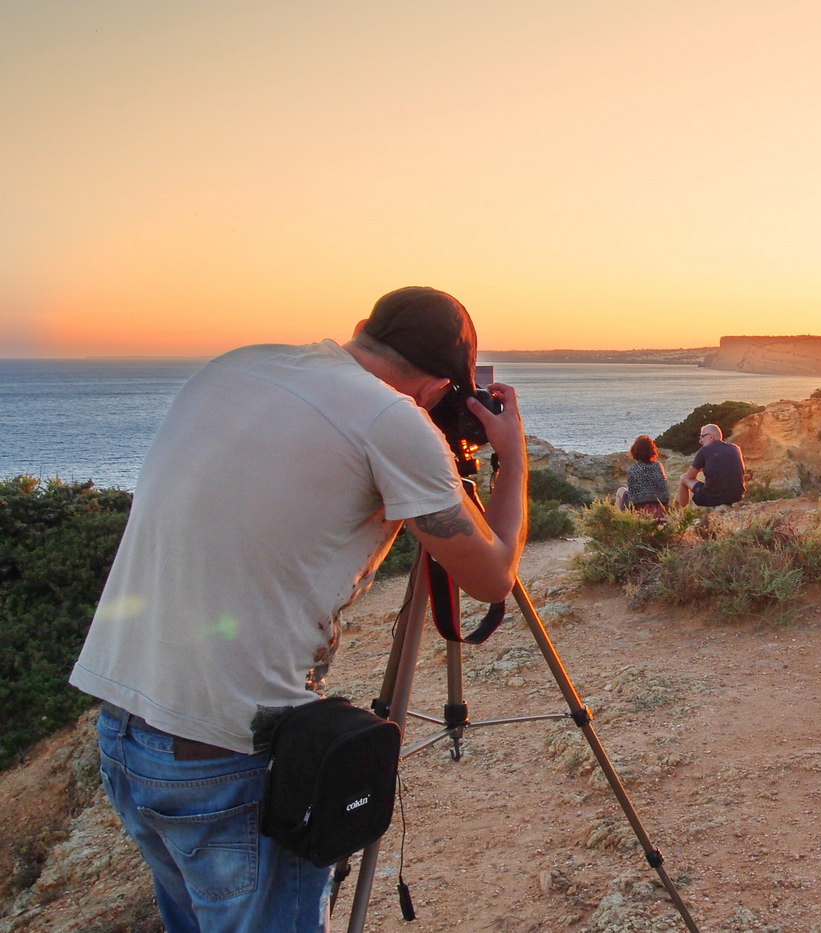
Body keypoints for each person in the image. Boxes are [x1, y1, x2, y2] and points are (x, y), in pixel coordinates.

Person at [69, 286, 528, 933]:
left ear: (365, 328)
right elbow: (492, 575)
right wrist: (512, 457)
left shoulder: (237, 364)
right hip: (224, 758)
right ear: (437, 388)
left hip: (125, 729)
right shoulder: (393, 420)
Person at [677, 423, 745, 507]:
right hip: (737, 497)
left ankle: (681, 514)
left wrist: (701, 467)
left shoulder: (705, 450)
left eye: (702, 436)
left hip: (714, 499)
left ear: (711, 436)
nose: (700, 440)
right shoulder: (735, 448)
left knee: (684, 478)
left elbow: (690, 475)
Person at [613, 434, 670, 518]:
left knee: (621, 490)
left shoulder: (633, 469)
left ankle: (618, 518)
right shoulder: (658, 466)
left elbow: (632, 496)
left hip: (641, 512)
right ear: (652, 450)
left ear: (635, 451)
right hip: (659, 510)